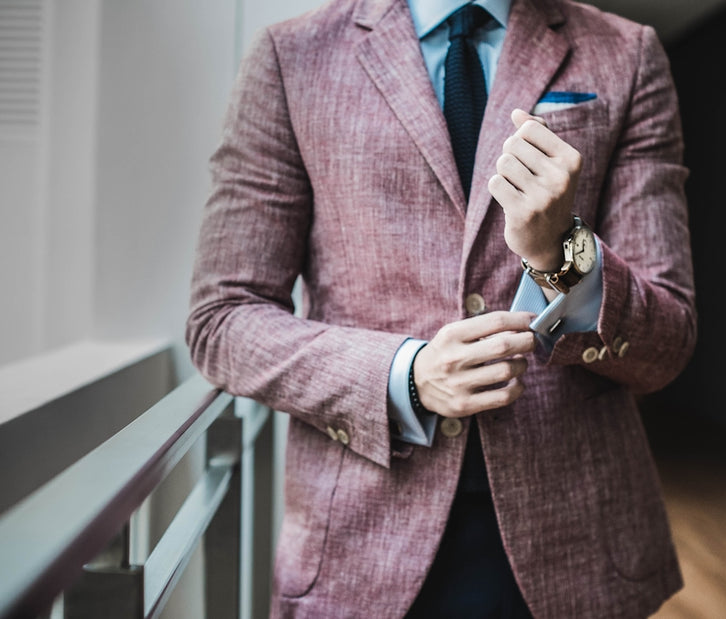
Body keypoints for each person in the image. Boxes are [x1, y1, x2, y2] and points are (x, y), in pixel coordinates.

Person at [187, 0, 696, 615]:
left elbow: (666, 343)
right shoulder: (292, 55)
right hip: (360, 547)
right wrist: (405, 374)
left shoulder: (626, 52)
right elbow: (224, 318)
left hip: (576, 546)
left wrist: (561, 254)